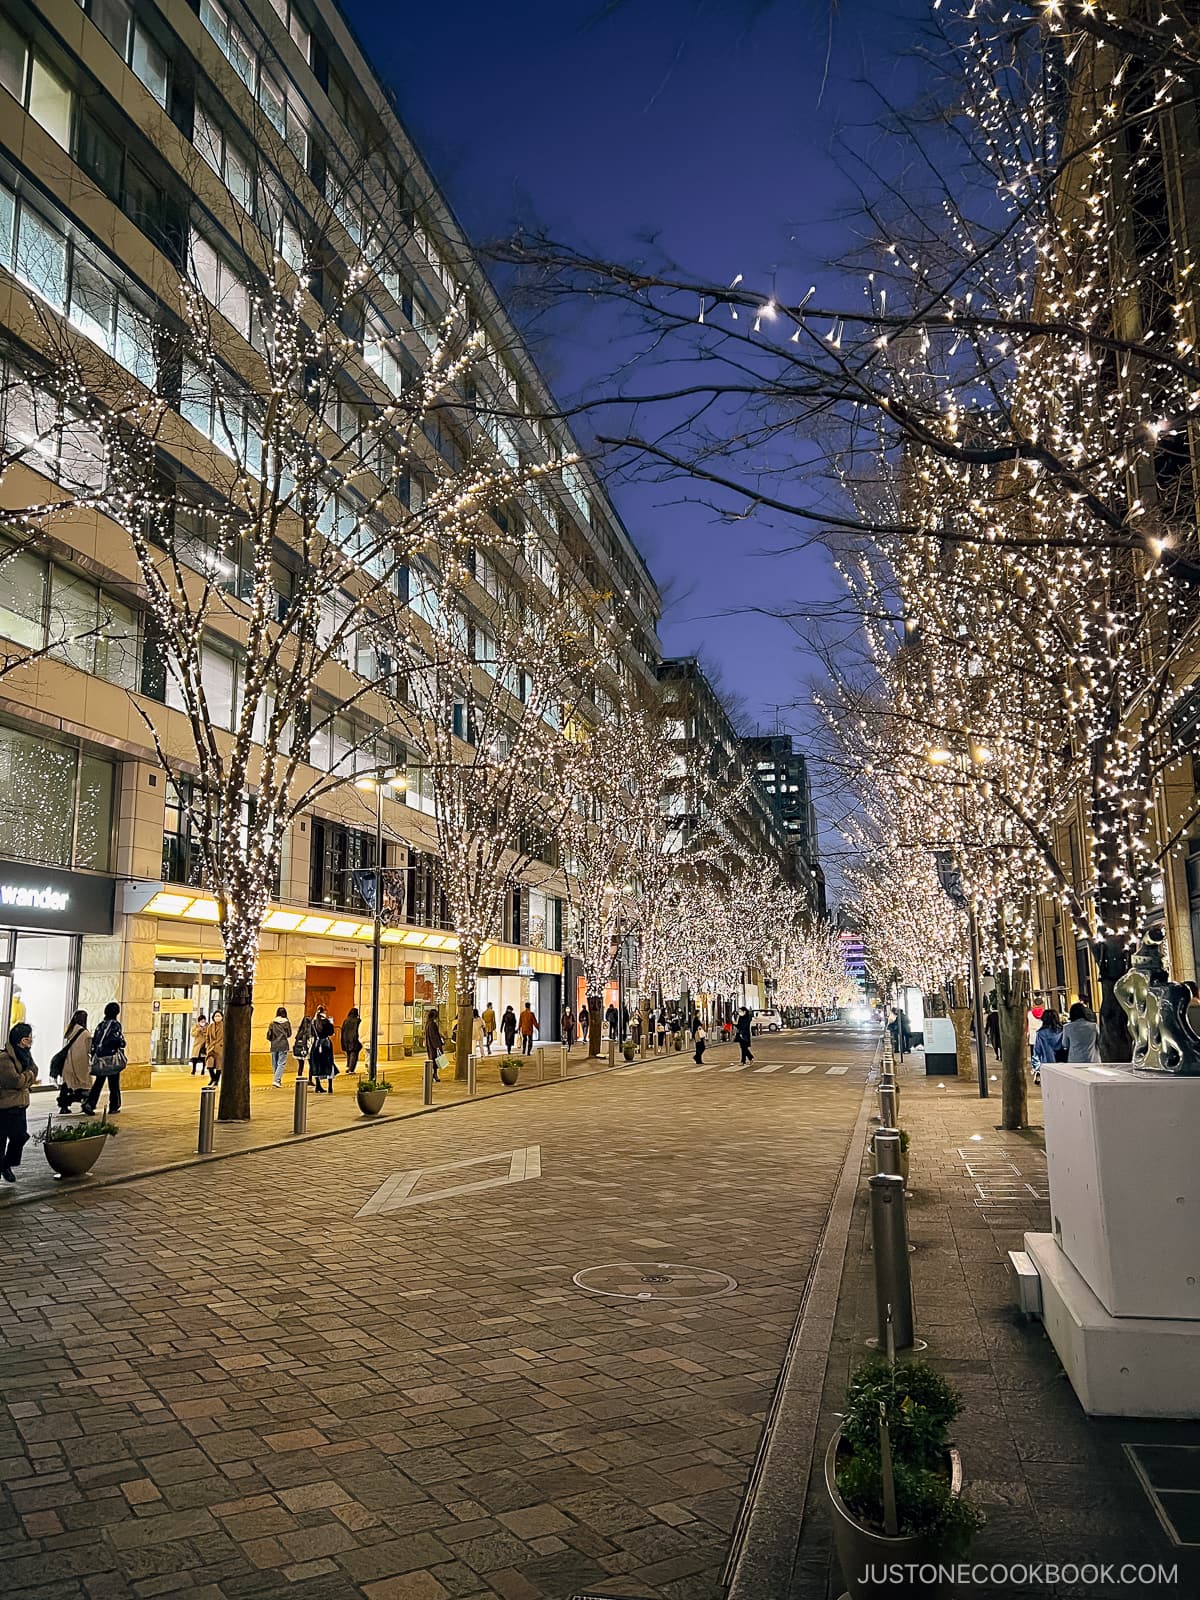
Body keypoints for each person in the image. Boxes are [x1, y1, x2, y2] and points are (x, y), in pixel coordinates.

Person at [0, 1022, 38, 1182]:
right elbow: (14, 1081)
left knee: (20, 1136)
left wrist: (27, 1077)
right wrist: (28, 1077)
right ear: (22, 1040)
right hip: (5, 1107)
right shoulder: (5, 1058)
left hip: (20, 1104)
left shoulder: (26, 1055)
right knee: (1, 1141)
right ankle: (4, 1167)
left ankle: (5, 1165)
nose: (31, 1040)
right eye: (29, 1038)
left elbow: (34, 1071)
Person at [84, 1003, 126, 1115]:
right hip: (111, 1058)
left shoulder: (100, 1025)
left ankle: (90, 1103)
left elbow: (95, 1041)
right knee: (114, 1083)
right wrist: (122, 1042)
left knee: (98, 1082)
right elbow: (116, 1040)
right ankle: (114, 1106)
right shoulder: (115, 1025)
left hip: (101, 1058)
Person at [53, 1010, 92, 1113]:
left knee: (67, 1086)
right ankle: (85, 1104)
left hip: (68, 1064)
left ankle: (63, 1106)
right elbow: (89, 1049)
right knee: (83, 1086)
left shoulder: (70, 1031)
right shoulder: (85, 1034)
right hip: (80, 1065)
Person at [1031, 1008, 1064, 1082]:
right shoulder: (1063, 1031)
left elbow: (1037, 1052)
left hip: (1047, 1065)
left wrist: (1036, 1068)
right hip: (1063, 1065)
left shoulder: (1040, 1034)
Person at [267, 1007, 292, 1088]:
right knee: (281, 1063)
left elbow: (269, 1035)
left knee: (275, 1063)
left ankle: (277, 1079)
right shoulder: (286, 1023)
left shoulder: (272, 1023)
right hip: (283, 1044)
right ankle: (276, 1080)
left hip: (274, 1044)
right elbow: (289, 1034)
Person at [310, 1014, 335, 1091]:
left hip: (316, 1044)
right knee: (329, 1063)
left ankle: (318, 1085)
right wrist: (331, 1023)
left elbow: (311, 1033)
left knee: (316, 1064)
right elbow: (331, 1033)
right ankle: (330, 1086)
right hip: (326, 1044)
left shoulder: (313, 1023)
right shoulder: (327, 1022)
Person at [204, 1010, 224, 1087]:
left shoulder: (224, 1026)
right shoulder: (210, 1026)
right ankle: (213, 1078)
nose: (217, 1017)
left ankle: (216, 1080)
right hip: (211, 1048)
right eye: (216, 1016)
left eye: (219, 1016)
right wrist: (207, 1045)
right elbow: (207, 1037)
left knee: (219, 1065)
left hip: (220, 1048)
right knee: (210, 1064)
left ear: (222, 1017)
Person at [425, 1007, 444, 1082]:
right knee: (434, 1060)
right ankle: (433, 1075)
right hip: (434, 1045)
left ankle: (431, 1074)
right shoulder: (432, 1024)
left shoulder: (428, 1024)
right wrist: (437, 1046)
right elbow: (434, 1035)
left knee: (432, 1060)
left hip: (430, 1045)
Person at [341, 1008, 362, 1075]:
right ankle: (351, 1069)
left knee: (349, 1053)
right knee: (354, 1054)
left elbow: (343, 1031)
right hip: (354, 1039)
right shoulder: (358, 1021)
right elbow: (359, 1030)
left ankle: (348, 1066)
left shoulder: (346, 1020)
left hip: (346, 1039)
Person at [293, 1011, 314, 1075]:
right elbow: (311, 1041)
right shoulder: (310, 1032)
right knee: (311, 1065)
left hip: (299, 1051)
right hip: (307, 1050)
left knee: (300, 1066)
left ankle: (299, 1079)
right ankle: (310, 1080)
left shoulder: (300, 1031)